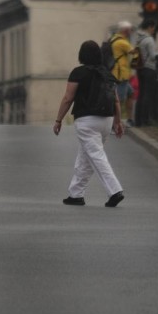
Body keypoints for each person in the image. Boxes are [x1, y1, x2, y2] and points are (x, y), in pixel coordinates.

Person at [54, 40, 125, 207]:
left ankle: (115, 191)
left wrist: (58, 120)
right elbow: (116, 100)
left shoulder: (78, 73)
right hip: (106, 120)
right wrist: (118, 121)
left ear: (81, 55)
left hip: (86, 121)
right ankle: (76, 194)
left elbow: (68, 98)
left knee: (96, 156)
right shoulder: (106, 73)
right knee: (86, 157)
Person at [109, 21, 136, 127]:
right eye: (130, 30)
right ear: (126, 30)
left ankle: (129, 119)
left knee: (130, 94)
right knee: (119, 100)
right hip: (120, 75)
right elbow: (133, 51)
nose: (131, 32)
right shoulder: (122, 42)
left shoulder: (115, 38)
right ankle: (114, 124)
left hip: (118, 74)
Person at [134, 19, 157, 127]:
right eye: (153, 27)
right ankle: (145, 119)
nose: (154, 30)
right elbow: (153, 56)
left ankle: (138, 119)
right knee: (147, 94)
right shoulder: (149, 40)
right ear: (149, 27)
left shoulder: (139, 39)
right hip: (149, 68)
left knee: (141, 94)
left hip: (140, 68)